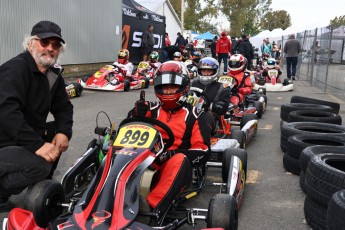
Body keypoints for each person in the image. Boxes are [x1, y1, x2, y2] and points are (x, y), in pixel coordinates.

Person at [0, 20, 73, 212]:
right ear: (30, 43)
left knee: (56, 135)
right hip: (3, 141)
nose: (49, 49)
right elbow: (7, 112)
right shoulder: (14, 69)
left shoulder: (52, 75)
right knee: (40, 166)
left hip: (21, 138)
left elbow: (64, 107)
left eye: (55, 45)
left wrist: (64, 132)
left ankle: (39, 186)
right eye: (44, 42)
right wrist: (38, 146)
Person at [128, 61, 211, 216]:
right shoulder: (149, 110)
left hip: (171, 164)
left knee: (179, 160)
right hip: (143, 158)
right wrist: (135, 115)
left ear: (184, 87)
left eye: (172, 86)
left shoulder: (195, 115)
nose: (168, 91)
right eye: (164, 86)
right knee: (112, 149)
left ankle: (150, 209)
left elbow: (203, 150)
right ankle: (97, 198)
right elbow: (128, 132)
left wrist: (172, 154)